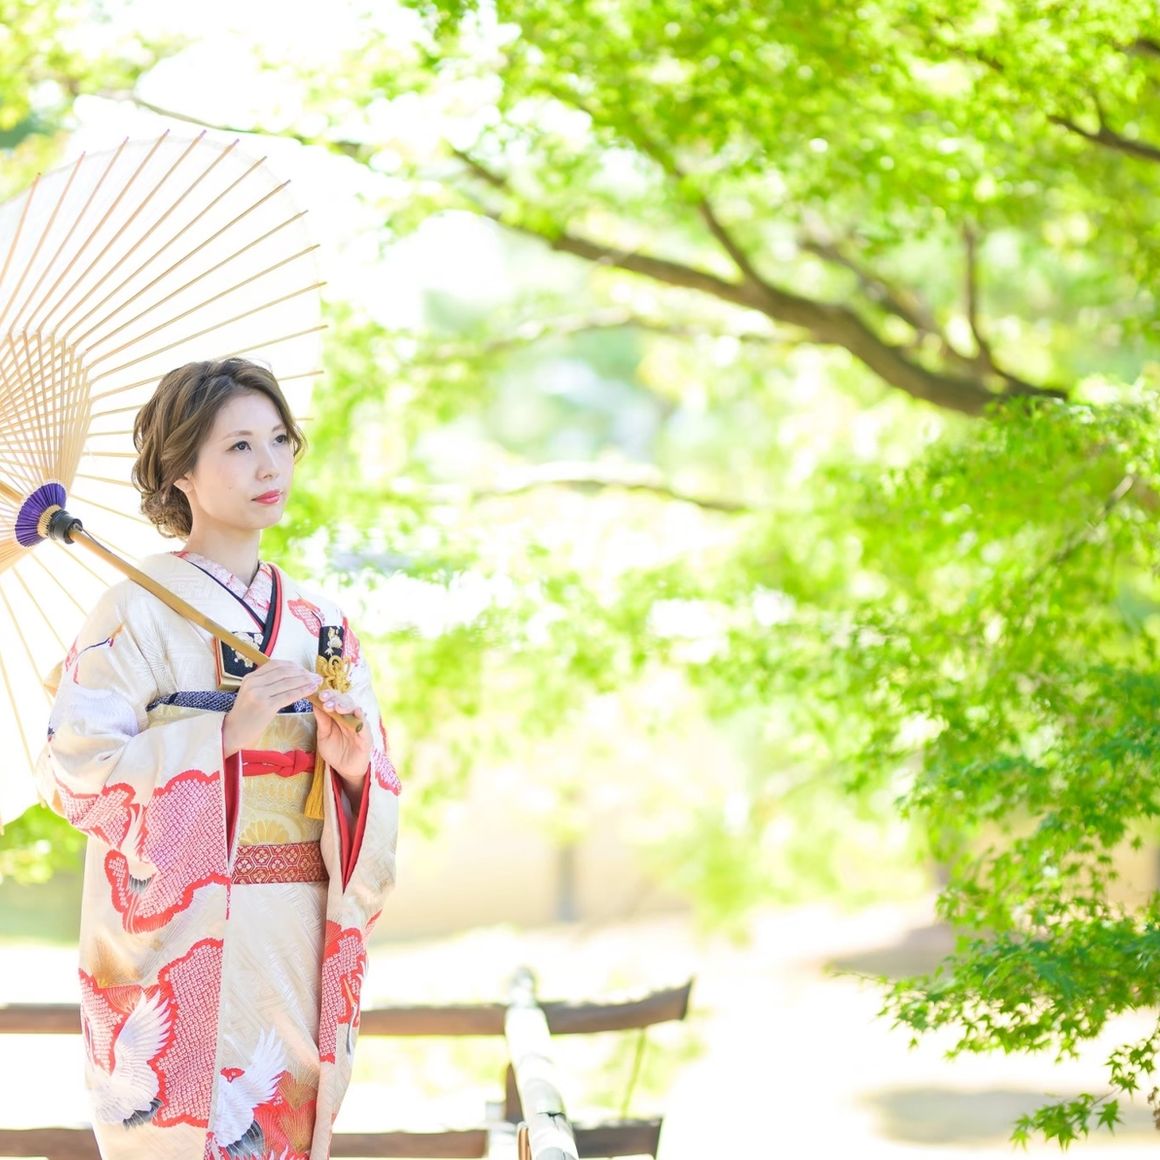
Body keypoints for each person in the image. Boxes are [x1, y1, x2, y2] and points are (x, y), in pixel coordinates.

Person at [37, 357, 401, 1160]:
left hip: (296, 930)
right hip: (184, 938)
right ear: (181, 473)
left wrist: (349, 767)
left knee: (282, 1123)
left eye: (279, 439)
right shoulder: (131, 611)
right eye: (239, 446)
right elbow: (74, 771)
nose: (269, 465)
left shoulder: (321, 623)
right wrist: (221, 738)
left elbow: (377, 790)